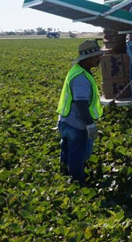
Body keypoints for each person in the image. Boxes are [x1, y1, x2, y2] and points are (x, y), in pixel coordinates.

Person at [57, 40, 104, 185]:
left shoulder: (78, 71)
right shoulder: (81, 78)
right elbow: (81, 103)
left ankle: (64, 172)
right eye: (96, 56)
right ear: (87, 59)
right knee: (77, 154)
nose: (99, 59)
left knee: (66, 148)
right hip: (76, 123)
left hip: (65, 120)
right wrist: (90, 125)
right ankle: (78, 181)